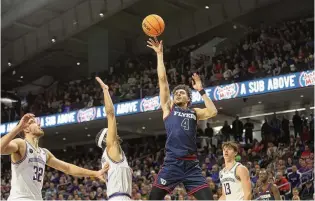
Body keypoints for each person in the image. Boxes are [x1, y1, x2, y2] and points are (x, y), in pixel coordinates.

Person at [147, 38, 217, 200]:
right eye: (176, 92)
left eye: (182, 93)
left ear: (188, 99)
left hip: (191, 165)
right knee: (153, 198)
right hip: (172, 164)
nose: (178, 93)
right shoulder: (168, 108)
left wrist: (201, 90)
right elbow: (163, 81)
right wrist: (159, 55)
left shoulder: (194, 112)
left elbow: (212, 111)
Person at [0, 113, 109, 201]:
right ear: (26, 129)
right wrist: (18, 128)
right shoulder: (21, 144)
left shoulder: (44, 153)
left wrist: (95, 173)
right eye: (33, 122)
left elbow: (68, 168)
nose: (38, 125)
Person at [95, 77, 132, 200]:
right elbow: (110, 114)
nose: (115, 132)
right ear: (106, 139)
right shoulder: (111, 147)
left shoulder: (108, 156)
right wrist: (105, 90)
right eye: (111, 133)